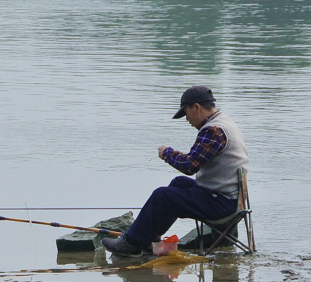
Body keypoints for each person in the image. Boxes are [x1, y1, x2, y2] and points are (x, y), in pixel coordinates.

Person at [103, 85, 249, 257]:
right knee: (178, 184)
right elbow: (195, 160)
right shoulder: (224, 121)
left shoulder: (213, 130)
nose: (187, 119)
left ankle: (131, 243)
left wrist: (167, 153)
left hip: (221, 203)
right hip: (229, 197)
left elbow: (189, 166)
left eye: (186, 113)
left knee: (162, 195)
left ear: (196, 107)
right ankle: (150, 236)